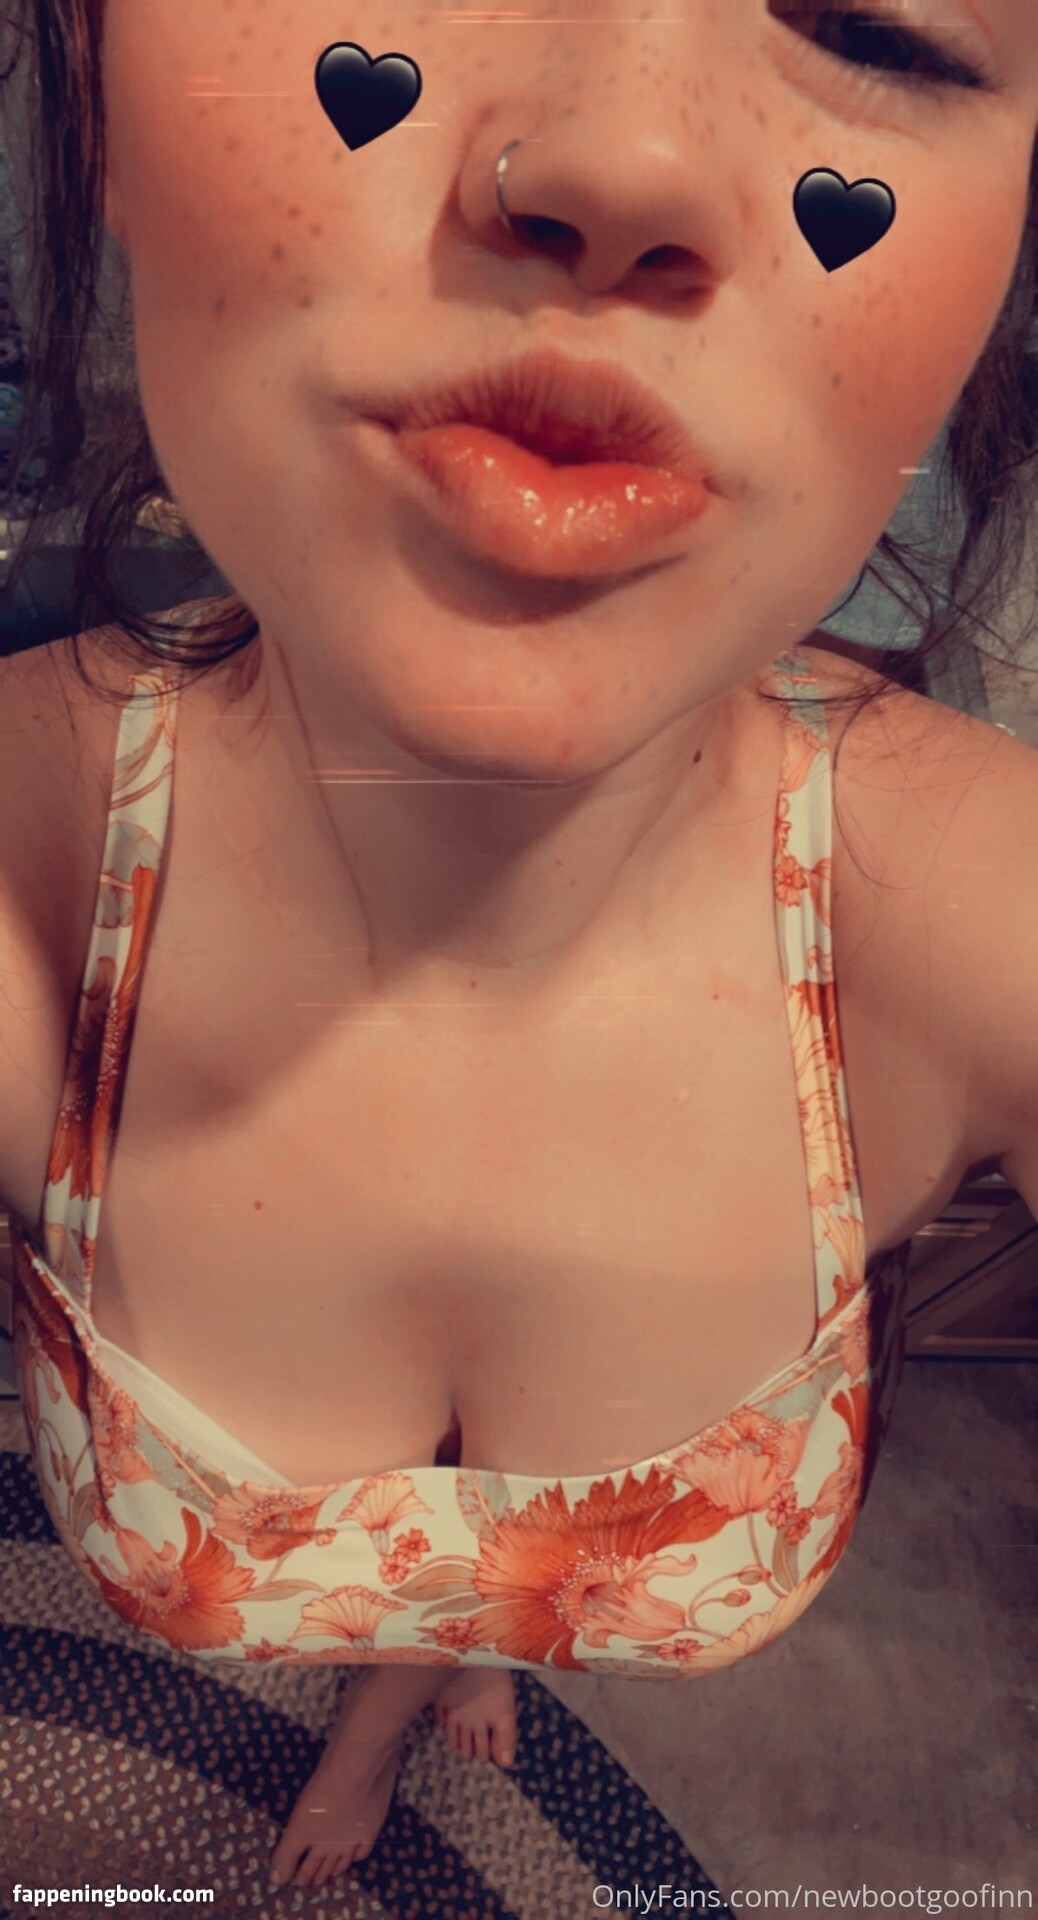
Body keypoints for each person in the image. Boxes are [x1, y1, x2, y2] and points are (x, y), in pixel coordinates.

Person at [1, 0, 1036, 1894]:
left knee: (472, 1597)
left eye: (876, 21)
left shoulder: (989, 917)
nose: (619, 162)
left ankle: (437, 1668)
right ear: (97, 101)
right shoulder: (30, 862)